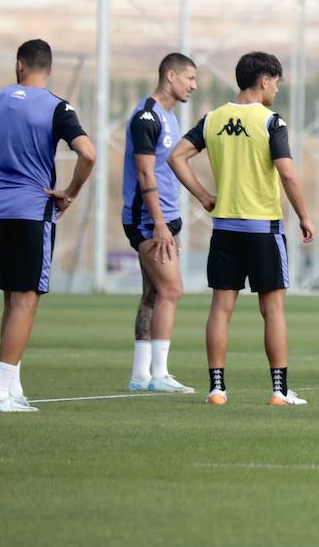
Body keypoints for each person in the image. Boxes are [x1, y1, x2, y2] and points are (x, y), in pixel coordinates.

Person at [0, 39, 96, 412]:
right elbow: (88, 153)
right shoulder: (57, 107)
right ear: (49, 69)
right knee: (26, 299)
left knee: (13, 298)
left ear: (19, 66)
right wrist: (69, 192)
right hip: (31, 211)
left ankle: (12, 387)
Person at [169, 51, 314, 406]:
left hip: (225, 229)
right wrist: (304, 216)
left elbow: (176, 156)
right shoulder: (271, 122)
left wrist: (204, 196)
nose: (277, 90)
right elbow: (288, 173)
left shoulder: (213, 118)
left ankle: (217, 388)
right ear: (264, 80)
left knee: (221, 307)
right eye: (277, 83)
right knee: (273, 310)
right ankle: (279, 391)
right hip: (263, 229)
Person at [124, 52, 198, 394]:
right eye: (190, 78)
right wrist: (159, 223)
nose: (193, 86)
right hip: (147, 220)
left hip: (163, 218)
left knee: (153, 292)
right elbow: (143, 171)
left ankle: (141, 374)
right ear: (171, 76)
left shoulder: (168, 117)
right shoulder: (147, 117)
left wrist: (170, 220)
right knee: (172, 290)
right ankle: (160, 373)